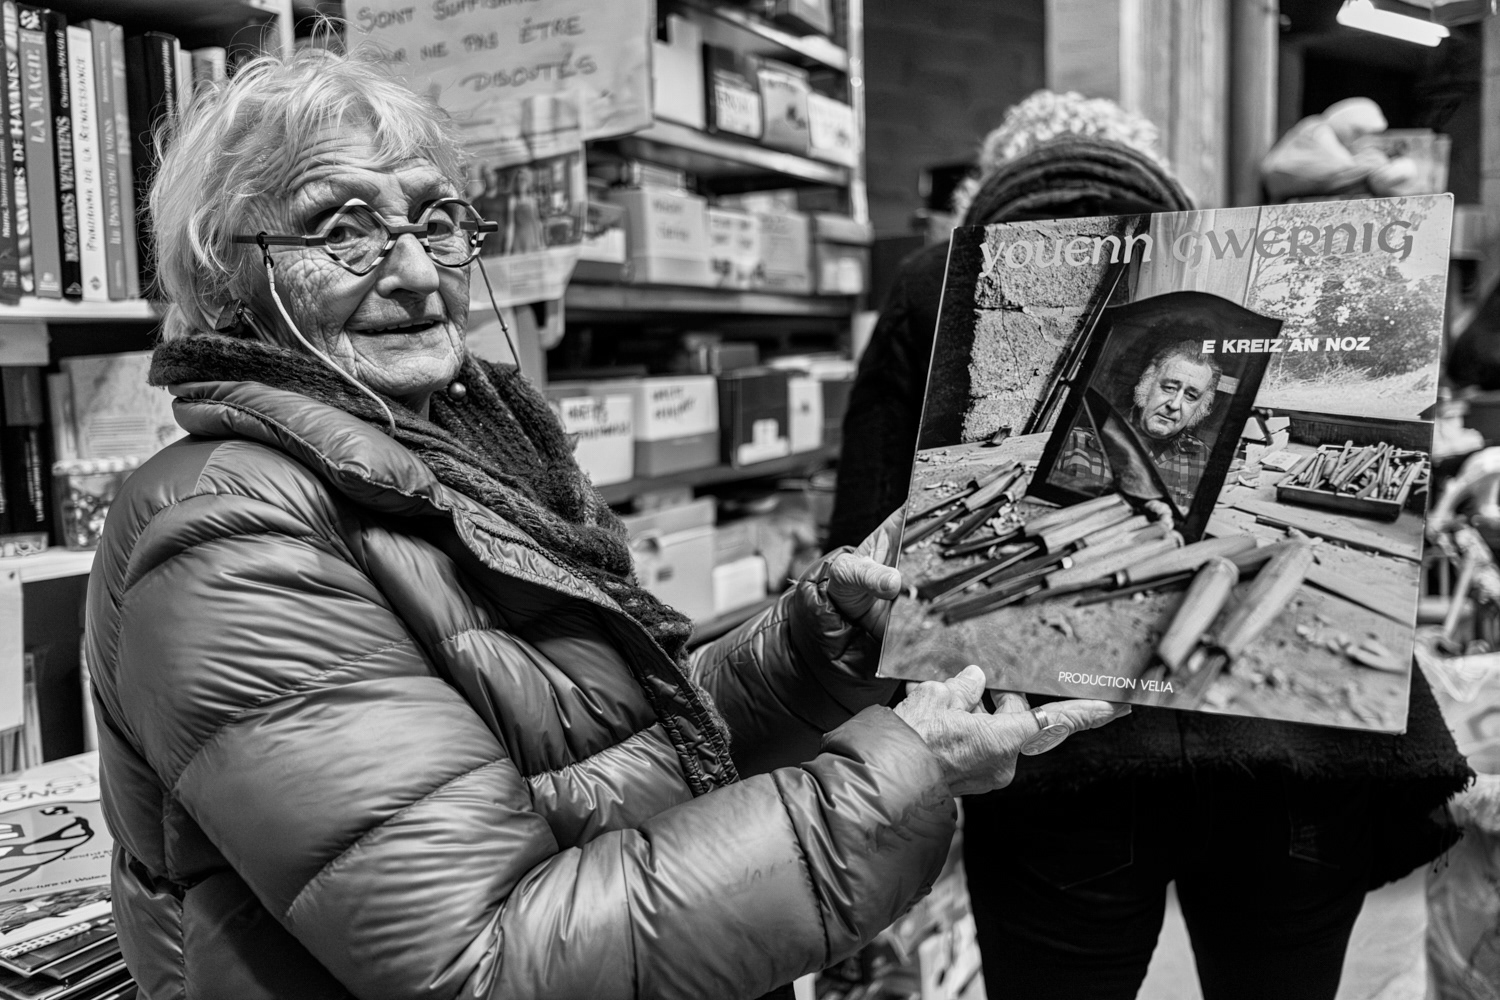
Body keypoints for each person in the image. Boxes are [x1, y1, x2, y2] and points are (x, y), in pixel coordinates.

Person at [84, 51, 1128, 1000]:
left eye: (433, 220)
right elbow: (485, 961)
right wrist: (904, 763)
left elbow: (610, 763)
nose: (411, 272)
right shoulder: (227, 537)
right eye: (341, 229)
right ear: (227, 274)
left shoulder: (459, 454)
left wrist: (819, 649)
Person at [829, 90, 1472, 1000]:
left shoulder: (935, 281)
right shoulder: (1265, 272)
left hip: (1053, 768)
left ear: (987, 186)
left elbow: (857, 563)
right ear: (1163, 180)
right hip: (1300, 758)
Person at [1055, 339, 1220, 510]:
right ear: (1146, 385)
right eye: (1169, 387)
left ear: (1201, 406)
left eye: (1191, 396)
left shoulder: (1204, 460)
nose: (1175, 405)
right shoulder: (1073, 443)